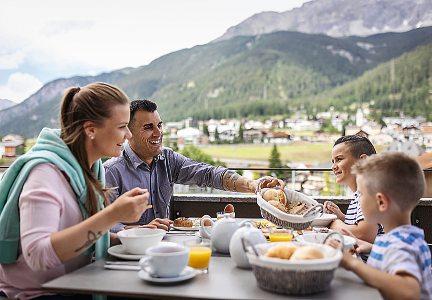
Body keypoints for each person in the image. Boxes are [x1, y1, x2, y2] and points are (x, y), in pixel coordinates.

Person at [0, 83, 152, 299]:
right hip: (35, 294)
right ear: (91, 129)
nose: (128, 134)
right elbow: (38, 255)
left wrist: (130, 237)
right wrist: (113, 215)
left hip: (70, 284)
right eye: (121, 126)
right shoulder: (45, 174)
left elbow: (76, 233)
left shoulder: (91, 168)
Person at [104, 99, 277, 232]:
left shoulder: (167, 158)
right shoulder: (112, 171)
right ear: (129, 133)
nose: (158, 133)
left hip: (163, 248)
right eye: (148, 127)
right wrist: (139, 231)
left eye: (159, 125)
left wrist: (253, 185)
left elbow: (208, 174)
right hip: (126, 254)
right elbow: (102, 225)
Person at [338, 152, 432, 300]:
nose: (358, 199)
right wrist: (370, 247)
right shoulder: (405, 239)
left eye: (361, 194)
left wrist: (352, 264)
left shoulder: (400, 246)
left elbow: (409, 291)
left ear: (381, 202)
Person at [324, 135, 380, 243]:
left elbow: (364, 234)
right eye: (333, 161)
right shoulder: (359, 194)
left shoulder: (370, 192)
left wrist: (334, 223)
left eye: (339, 159)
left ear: (363, 161)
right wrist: (341, 217)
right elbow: (360, 224)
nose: (333, 167)